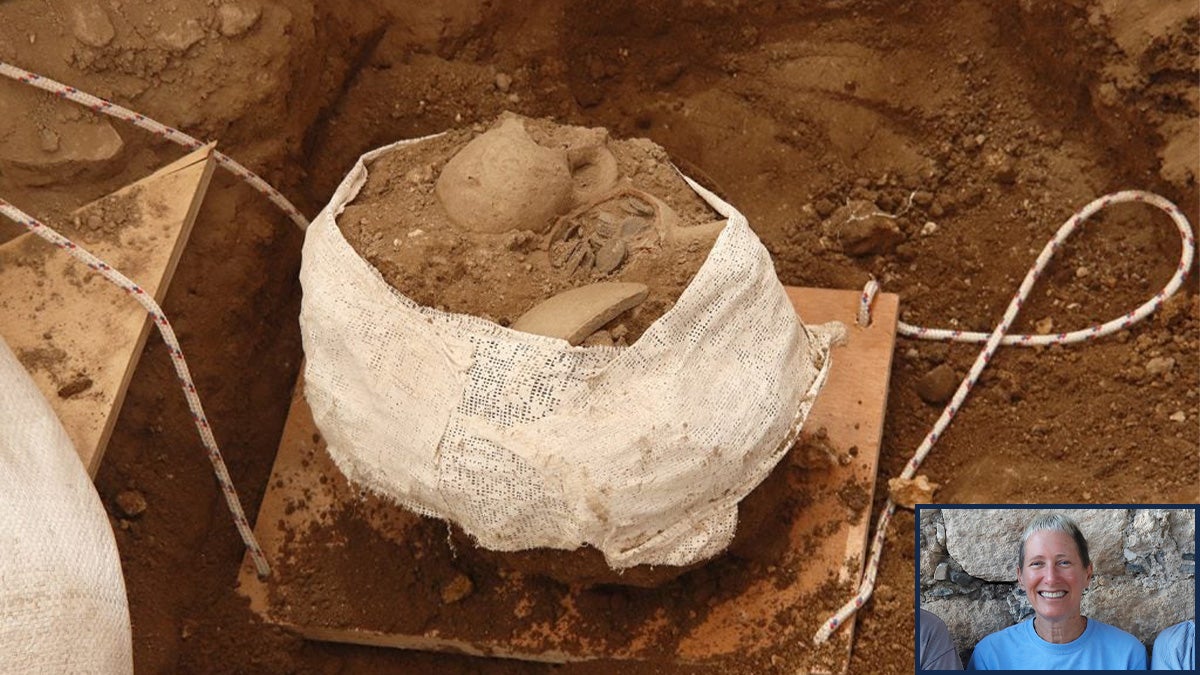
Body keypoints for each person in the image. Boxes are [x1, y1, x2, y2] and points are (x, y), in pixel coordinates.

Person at [967, 512, 1147, 670]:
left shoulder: (1127, 656)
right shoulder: (991, 657)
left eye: (1064, 563)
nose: (1051, 578)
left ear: (1087, 573)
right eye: (1037, 563)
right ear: (1021, 577)